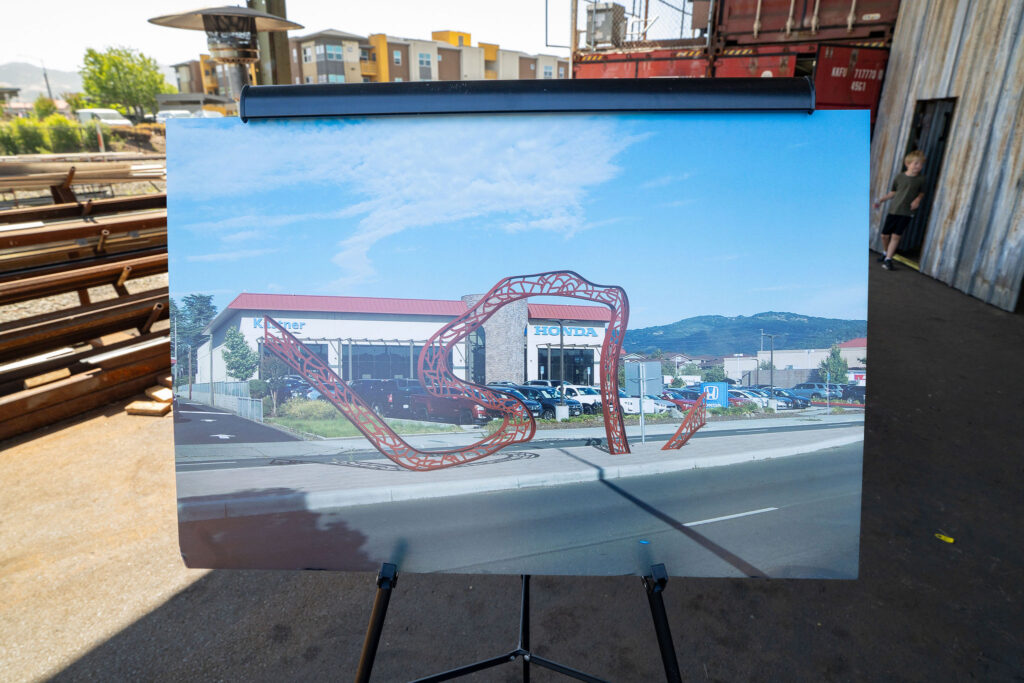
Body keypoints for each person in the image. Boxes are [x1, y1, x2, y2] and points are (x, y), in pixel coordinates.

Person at [874, 150, 926, 270]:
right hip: (894, 210)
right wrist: (881, 200)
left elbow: (922, 193)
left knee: (896, 236)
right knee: (884, 235)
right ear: (907, 164)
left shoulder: (921, 179)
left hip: (907, 212)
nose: (918, 166)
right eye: (916, 163)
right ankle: (886, 252)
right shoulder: (899, 177)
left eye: (921, 164)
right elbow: (893, 192)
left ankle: (888, 259)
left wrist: (917, 200)